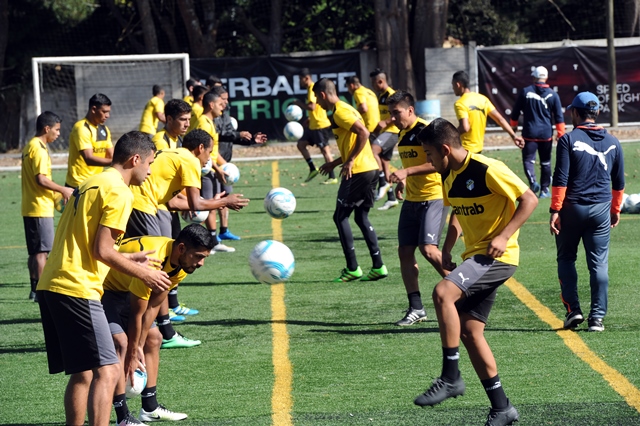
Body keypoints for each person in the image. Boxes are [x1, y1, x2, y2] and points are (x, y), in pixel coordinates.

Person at [36, 131, 172, 426]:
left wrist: (130, 259)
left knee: (83, 373)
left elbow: (88, 242)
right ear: (135, 159)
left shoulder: (92, 181)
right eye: (149, 163)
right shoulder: (120, 191)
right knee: (109, 370)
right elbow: (102, 250)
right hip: (76, 287)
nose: (150, 171)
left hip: (52, 284)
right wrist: (144, 272)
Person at [413, 118, 538, 426]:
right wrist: (447, 245)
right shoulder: (448, 176)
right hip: (475, 257)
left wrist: (504, 235)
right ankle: (502, 408)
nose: (428, 161)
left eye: (429, 154)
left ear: (445, 149)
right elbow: (458, 209)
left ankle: (451, 376)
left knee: (443, 292)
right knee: (470, 331)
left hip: (498, 256)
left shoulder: (487, 168)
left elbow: (529, 198)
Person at [126, 129, 249, 347]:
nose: (209, 158)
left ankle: (160, 328)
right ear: (199, 149)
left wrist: (211, 201)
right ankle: (162, 332)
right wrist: (224, 202)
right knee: (158, 269)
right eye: (209, 152)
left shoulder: (174, 154)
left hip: (142, 204)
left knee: (153, 268)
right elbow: (196, 205)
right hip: (141, 206)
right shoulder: (190, 160)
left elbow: (174, 203)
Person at [102, 224, 215, 425]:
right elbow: (137, 312)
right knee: (122, 344)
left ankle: (150, 408)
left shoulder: (180, 266)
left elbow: (153, 306)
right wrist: (133, 351)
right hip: (103, 290)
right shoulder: (154, 261)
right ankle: (123, 417)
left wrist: (139, 345)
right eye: (198, 256)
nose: (202, 263)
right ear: (181, 248)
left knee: (154, 338)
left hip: (125, 290)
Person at [550, 92, 625, 332]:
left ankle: (574, 310)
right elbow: (619, 183)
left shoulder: (568, 139)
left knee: (566, 258)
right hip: (601, 210)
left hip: (572, 209)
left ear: (575, 113)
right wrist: (615, 209)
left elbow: (560, 178)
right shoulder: (614, 141)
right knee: (599, 264)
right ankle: (597, 318)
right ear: (597, 113)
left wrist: (555, 209)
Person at [314, 78, 387, 282]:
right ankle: (378, 266)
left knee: (340, 217)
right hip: (370, 168)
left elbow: (364, 133)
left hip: (359, 171)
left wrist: (350, 161)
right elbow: (354, 141)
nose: (318, 105)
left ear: (322, 95)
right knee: (361, 217)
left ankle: (353, 268)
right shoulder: (347, 107)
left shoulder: (340, 111)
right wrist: (336, 162)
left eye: (317, 100)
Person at [386, 92, 448, 326]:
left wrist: (407, 172)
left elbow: (438, 162)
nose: (393, 117)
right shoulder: (401, 134)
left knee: (429, 250)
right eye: (390, 113)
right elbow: (411, 164)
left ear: (410, 110)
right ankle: (417, 308)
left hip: (433, 197)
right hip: (412, 200)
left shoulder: (426, 130)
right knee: (405, 252)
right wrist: (403, 180)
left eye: (397, 112)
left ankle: (464, 291)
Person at [22, 111, 74, 301]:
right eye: (57, 130)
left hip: (32, 206)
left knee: (36, 250)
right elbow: (41, 179)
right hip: (39, 207)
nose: (58, 134)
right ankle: (41, 292)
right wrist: (63, 190)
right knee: (42, 251)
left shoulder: (30, 145)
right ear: (47, 128)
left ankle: (35, 289)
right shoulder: (39, 149)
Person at [212, 76, 267, 241]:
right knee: (211, 199)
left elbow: (228, 136)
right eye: (223, 99)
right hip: (215, 161)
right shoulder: (210, 116)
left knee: (224, 196)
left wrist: (248, 140)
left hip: (225, 161)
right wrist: (237, 134)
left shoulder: (225, 112)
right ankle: (210, 236)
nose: (226, 103)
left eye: (227, 99)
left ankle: (223, 230)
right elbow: (217, 137)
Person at [510, 66, 565, 198]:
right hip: (546, 134)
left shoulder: (525, 92)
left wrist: (514, 126)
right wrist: (560, 133)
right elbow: (559, 116)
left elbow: (515, 112)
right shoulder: (553, 94)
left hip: (529, 133)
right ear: (545, 78)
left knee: (528, 160)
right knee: (546, 162)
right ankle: (545, 190)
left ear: (534, 77)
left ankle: (533, 182)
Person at [194, 86, 237, 253]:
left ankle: (213, 241)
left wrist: (223, 166)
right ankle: (206, 241)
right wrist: (218, 169)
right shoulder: (203, 123)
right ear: (211, 105)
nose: (223, 106)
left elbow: (213, 151)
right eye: (220, 103)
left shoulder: (209, 122)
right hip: (205, 170)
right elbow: (204, 153)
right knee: (208, 205)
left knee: (213, 204)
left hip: (211, 168)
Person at [451, 71, 524, 154]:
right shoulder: (483, 99)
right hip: (478, 149)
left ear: (458, 84)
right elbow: (500, 119)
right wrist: (514, 136)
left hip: (465, 149)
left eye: (453, 85)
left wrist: (450, 135)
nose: (453, 88)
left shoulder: (460, 103)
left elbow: (465, 127)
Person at [152, 99, 192, 239]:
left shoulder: (179, 139)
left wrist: (188, 199)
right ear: (169, 119)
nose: (187, 124)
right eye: (182, 119)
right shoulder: (161, 141)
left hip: (171, 202)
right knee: (165, 249)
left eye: (188, 119)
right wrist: (190, 203)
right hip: (159, 205)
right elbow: (162, 180)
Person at [293, 68, 338, 185]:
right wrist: (309, 118)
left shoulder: (312, 88)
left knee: (325, 150)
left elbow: (312, 107)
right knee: (301, 144)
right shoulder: (310, 88)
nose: (300, 81)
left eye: (300, 79)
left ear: (306, 78)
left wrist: (299, 104)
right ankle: (313, 168)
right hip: (313, 124)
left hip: (320, 124)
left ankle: (332, 176)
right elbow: (316, 109)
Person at [66, 93, 114, 188]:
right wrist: (117, 162)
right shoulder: (81, 128)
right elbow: (89, 159)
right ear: (93, 109)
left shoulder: (104, 129)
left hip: (95, 182)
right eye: (104, 112)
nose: (107, 115)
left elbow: (111, 155)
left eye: (108, 112)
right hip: (78, 185)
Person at [369, 68, 400, 211]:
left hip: (392, 132)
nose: (372, 86)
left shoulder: (392, 95)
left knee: (373, 150)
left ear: (381, 81)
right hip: (384, 132)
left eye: (374, 83)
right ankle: (391, 199)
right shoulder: (381, 95)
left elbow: (399, 114)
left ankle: (382, 182)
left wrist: (386, 122)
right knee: (385, 165)